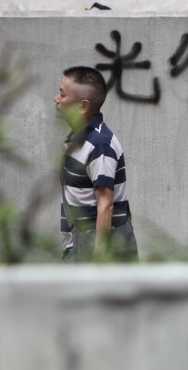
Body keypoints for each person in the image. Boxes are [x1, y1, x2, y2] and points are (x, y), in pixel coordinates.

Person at [55, 66, 138, 262]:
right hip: (77, 246)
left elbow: (105, 204)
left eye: (62, 94)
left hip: (93, 250)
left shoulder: (100, 144)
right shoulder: (79, 139)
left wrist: (99, 261)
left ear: (83, 106)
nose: (56, 99)